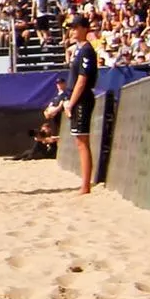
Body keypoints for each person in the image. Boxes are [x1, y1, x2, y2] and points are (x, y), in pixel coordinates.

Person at [63, 16, 100, 194]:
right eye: (71, 28)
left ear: (85, 29)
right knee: (80, 141)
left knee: (82, 142)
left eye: (76, 27)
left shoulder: (86, 50)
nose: (72, 30)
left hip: (82, 99)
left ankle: (85, 185)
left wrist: (71, 103)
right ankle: (84, 184)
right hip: (78, 98)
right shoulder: (78, 50)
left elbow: (82, 80)